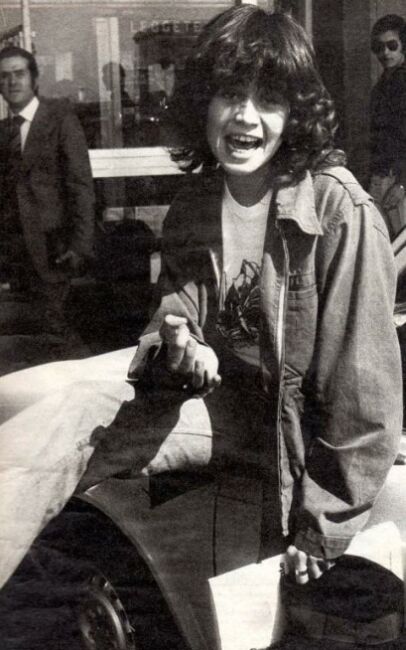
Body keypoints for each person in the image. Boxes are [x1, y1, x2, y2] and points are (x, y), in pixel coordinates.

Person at [0, 6, 403, 642]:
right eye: (230, 95)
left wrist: (321, 525)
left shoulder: (339, 209)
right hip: (228, 411)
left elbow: (366, 398)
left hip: (302, 433)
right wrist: (177, 343)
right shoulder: (194, 203)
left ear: (295, 114)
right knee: (66, 413)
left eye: (268, 100)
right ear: (202, 105)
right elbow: (175, 312)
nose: (246, 117)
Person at [0, 46, 95, 342]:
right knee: (28, 339)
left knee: (57, 333)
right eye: (4, 76)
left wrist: (80, 246)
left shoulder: (60, 120)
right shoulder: (4, 131)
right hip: (16, 258)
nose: (12, 82)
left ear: (35, 79)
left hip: (55, 251)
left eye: (19, 74)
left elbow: (80, 185)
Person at [369, 14, 406, 239]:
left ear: (403, 45)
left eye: (392, 46)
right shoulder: (381, 86)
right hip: (380, 178)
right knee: (382, 246)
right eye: (379, 47)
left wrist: (402, 184)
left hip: (398, 181)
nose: (385, 53)